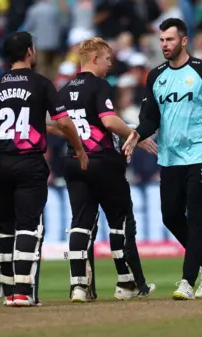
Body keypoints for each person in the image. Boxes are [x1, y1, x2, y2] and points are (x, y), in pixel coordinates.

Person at [123, 18, 202, 300]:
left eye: (170, 40)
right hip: (170, 158)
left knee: (197, 220)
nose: (164, 45)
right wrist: (136, 134)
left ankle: (186, 281)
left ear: (184, 41)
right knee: (171, 216)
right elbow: (150, 119)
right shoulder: (155, 75)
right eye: (161, 40)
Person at [0, 31, 88, 307]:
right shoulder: (41, 83)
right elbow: (64, 122)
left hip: (0, 162)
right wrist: (78, 148)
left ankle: (6, 290)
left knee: (4, 226)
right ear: (30, 52)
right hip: (29, 162)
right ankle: (22, 291)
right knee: (28, 225)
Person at [57, 37, 156, 302]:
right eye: (108, 60)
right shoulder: (99, 85)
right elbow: (110, 122)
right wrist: (137, 136)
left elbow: (54, 125)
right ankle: (126, 283)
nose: (110, 65)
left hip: (74, 161)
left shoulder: (64, 89)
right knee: (120, 220)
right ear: (95, 59)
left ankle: (79, 286)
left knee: (80, 223)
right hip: (102, 159)